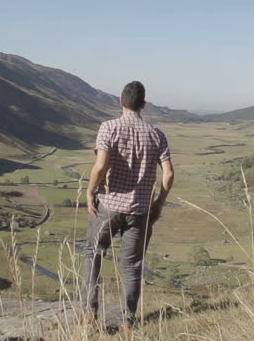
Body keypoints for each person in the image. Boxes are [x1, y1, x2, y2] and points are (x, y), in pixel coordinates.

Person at [81, 80, 175, 329]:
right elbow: (168, 174)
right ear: (143, 105)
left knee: (93, 254)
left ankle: (90, 315)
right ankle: (128, 322)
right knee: (132, 266)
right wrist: (159, 204)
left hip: (109, 205)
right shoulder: (157, 134)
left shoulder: (108, 127)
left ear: (120, 102)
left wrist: (91, 192)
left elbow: (100, 166)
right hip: (141, 210)